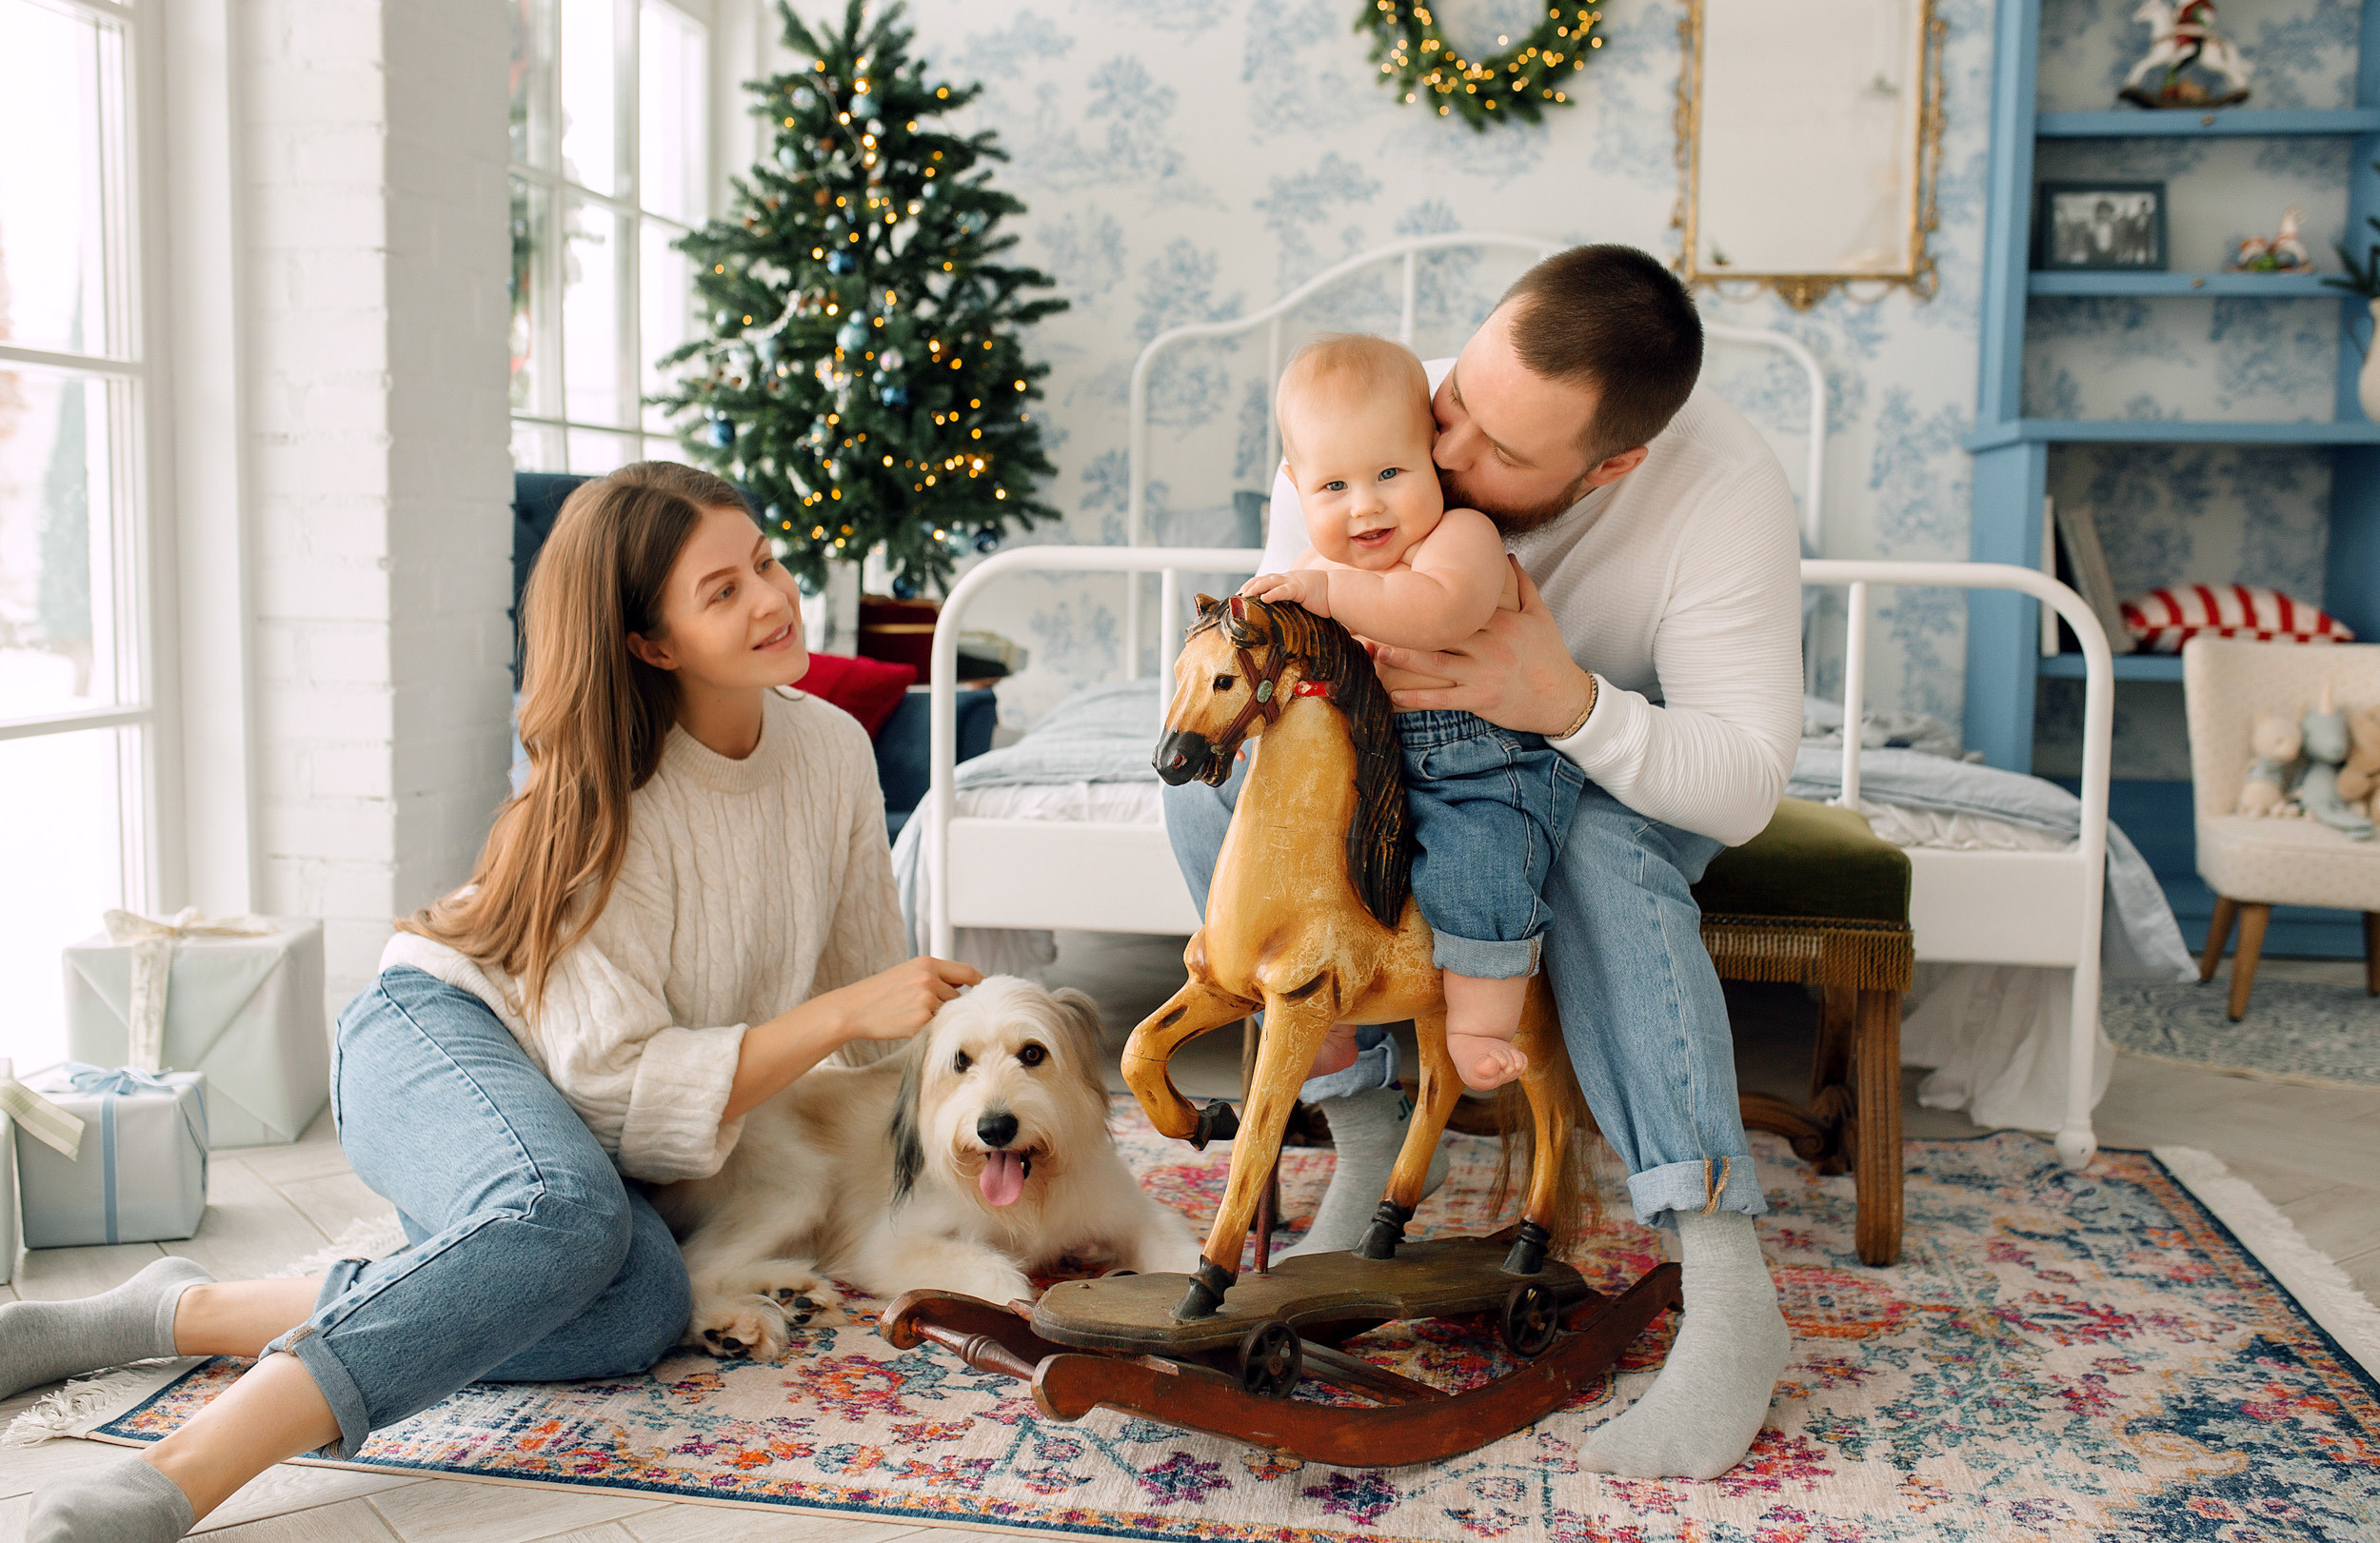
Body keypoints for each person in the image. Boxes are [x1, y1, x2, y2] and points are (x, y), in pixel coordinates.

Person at [6, 464, 981, 1541]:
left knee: (642, 1304)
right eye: (722, 589)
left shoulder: (832, 751)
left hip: (590, 1122)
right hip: (437, 1030)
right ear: (650, 642)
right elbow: (627, 1083)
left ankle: (170, 1311)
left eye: (764, 561)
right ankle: (173, 1478)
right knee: (568, 1217)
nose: (772, 597)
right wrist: (844, 1015)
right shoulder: (611, 791)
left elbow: (861, 1013)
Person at [1162, 244, 1803, 1479]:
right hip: (1405, 754)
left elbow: (1744, 779)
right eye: (1458, 405)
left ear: (1614, 463)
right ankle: (1365, 1143)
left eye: (1505, 454)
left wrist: (1567, 703)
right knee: (1220, 812)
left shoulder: (1724, 489)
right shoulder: (1379, 413)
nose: (1450, 456)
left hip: (1609, 764)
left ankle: (1729, 1289)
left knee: (1601, 856)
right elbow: (1291, 620)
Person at [1240, 331, 1581, 1093]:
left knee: (1479, 874)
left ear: (1434, 454)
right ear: (1297, 488)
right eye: (1333, 488)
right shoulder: (1313, 571)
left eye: (1390, 472)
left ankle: (1479, 1024)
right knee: (1306, 869)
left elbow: (1438, 612)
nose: (1365, 506)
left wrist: (1331, 594)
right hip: (1367, 771)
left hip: (1476, 769)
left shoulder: (1462, 538)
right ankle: (1325, 1020)